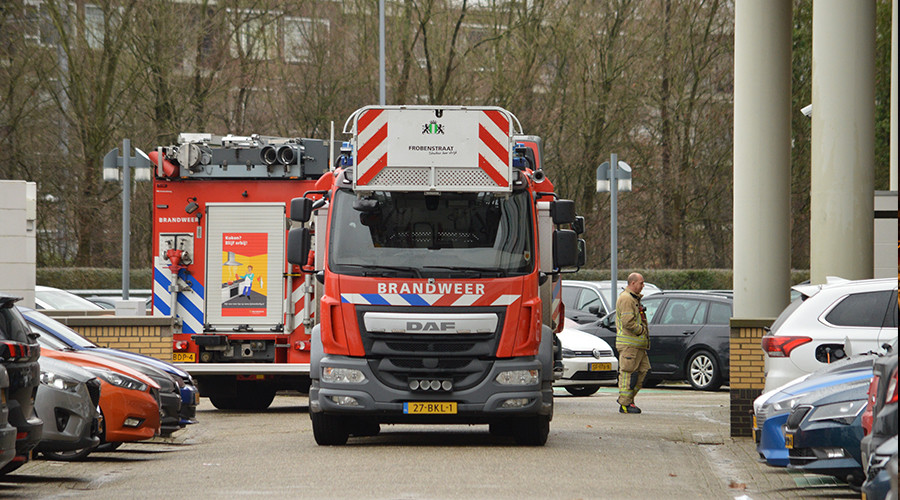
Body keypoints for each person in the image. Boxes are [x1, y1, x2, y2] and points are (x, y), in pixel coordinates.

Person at [615, 272, 650, 414]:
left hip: (638, 345)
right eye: (641, 283)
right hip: (629, 345)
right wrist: (641, 330)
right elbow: (627, 322)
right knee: (627, 374)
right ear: (633, 283)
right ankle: (625, 404)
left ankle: (629, 400)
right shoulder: (626, 299)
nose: (643, 286)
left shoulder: (634, 298)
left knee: (643, 371)